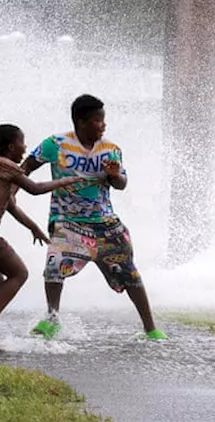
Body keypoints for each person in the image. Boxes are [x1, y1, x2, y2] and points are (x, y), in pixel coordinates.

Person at [22, 94, 167, 341]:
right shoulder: (55, 144)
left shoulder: (110, 150)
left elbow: (121, 184)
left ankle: (150, 329)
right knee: (54, 265)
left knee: (130, 274)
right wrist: (7, 192)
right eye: (98, 120)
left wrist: (113, 175)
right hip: (68, 221)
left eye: (104, 120)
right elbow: (24, 169)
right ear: (82, 121)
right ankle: (52, 319)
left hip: (105, 223)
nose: (103, 125)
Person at [0, 123, 84, 349]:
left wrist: (33, 228)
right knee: (19, 273)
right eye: (22, 142)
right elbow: (35, 188)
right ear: (11, 146)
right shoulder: (4, 164)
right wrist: (65, 180)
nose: (25, 147)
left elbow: (10, 205)